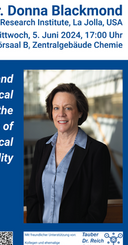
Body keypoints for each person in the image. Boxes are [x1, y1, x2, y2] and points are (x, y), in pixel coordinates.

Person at [25, 83, 111, 223]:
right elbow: (33, 196)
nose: (61, 114)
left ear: (80, 112)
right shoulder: (42, 146)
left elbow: (97, 210)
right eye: (56, 108)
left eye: (68, 108)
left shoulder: (97, 152)